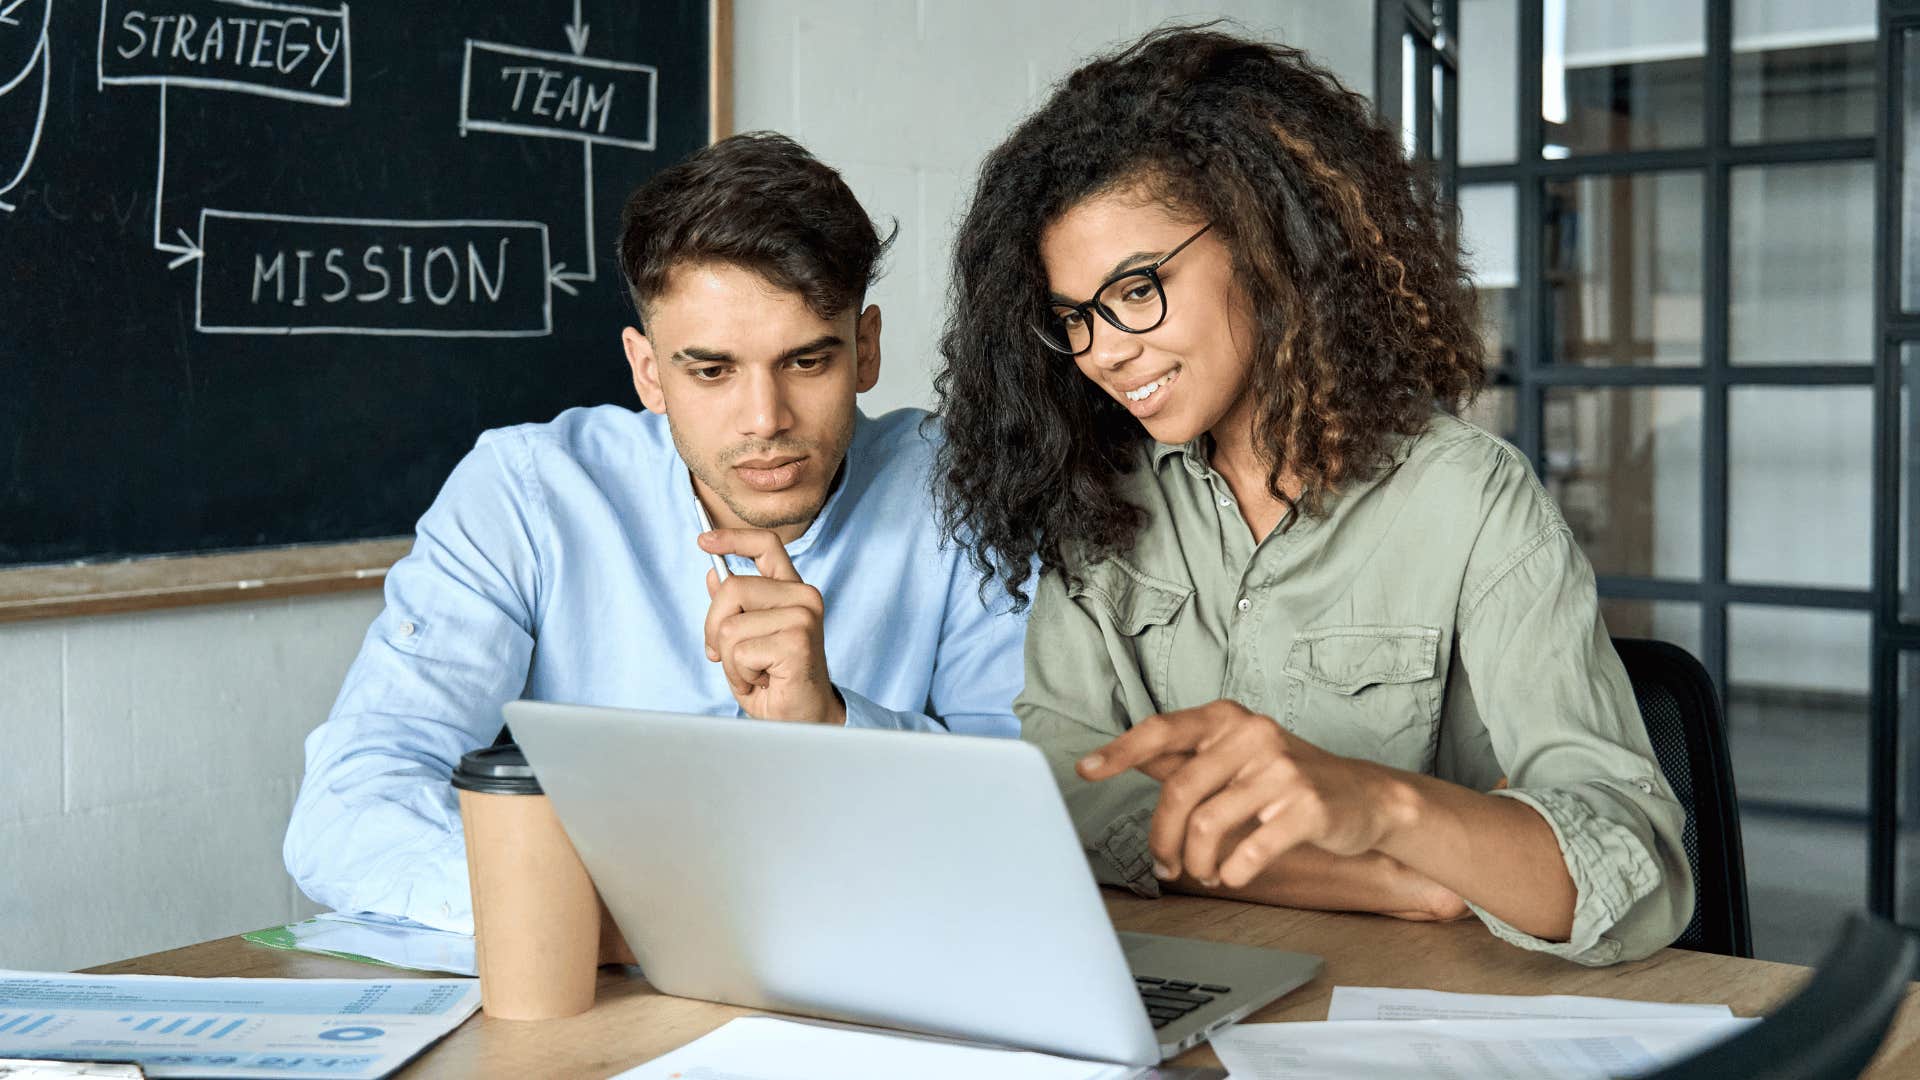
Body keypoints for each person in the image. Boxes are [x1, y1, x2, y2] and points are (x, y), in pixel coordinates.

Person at [933, 27, 1690, 966]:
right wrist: (1394, 878)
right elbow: (1060, 802)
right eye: (1075, 318)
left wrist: (1378, 803)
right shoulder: (1097, 498)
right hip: (1178, 990)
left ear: (1267, 244)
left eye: (1136, 289)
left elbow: (1633, 874)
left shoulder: (1471, 501)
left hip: (1424, 1021)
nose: (1106, 350)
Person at [286, 133, 1027, 932]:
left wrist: (833, 725)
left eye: (808, 362)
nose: (765, 421)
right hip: (602, 982)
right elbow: (349, 804)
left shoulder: (961, 489)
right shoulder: (526, 494)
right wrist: (605, 909)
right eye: (711, 371)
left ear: (866, 348)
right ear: (647, 372)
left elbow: (1020, 811)